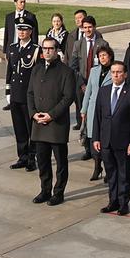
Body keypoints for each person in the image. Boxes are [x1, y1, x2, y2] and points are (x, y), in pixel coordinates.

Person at [27, 35, 77, 206]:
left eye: (50, 48)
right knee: (42, 160)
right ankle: (45, 189)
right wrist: (33, 113)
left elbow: (68, 97)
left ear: (56, 51)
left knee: (61, 162)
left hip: (56, 124)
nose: (47, 51)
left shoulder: (66, 71)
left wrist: (51, 115)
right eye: (44, 48)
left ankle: (59, 192)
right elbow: (30, 94)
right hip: (39, 123)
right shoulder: (37, 69)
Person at [93, 60, 130, 214]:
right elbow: (97, 117)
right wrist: (96, 138)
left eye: (119, 72)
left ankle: (123, 203)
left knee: (124, 174)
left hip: (124, 141)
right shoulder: (103, 91)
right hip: (106, 140)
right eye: (113, 72)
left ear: (125, 74)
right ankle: (112, 201)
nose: (115, 75)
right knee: (111, 173)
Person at [6, 23, 39, 170]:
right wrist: (8, 91)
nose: (21, 32)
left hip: (28, 95)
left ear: (30, 32)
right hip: (15, 94)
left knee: (30, 128)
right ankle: (22, 157)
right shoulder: (13, 48)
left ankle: (32, 158)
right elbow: (10, 72)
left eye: (24, 29)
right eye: (19, 29)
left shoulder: (35, 50)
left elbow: (37, 75)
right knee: (19, 128)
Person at [80, 44, 116, 180]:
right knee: (93, 139)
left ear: (110, 56)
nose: (102, 58)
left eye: (104, 55)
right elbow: (88, 91)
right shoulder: (94, 71)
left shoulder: (114, 71)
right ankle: (97, 167)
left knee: (106, 140)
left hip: (108, 109)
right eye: (100, 56)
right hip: (93, 109)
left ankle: (108, 169)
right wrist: (83, 109)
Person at [71, 14, 108, 129]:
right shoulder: (78, 44)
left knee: (96, 110)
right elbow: (73, 66)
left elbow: (107, 64)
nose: (87, 30)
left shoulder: (102, 43)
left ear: (95, 27)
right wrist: (82, 84)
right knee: (82, 108)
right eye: (85, 27)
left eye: (90, 27)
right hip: (82, 82)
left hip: (97, 83)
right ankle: (83, 131)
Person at [4, 0, 39, 110]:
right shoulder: (9, 16)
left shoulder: (30, 16)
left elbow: (34, 35)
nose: (23, 4)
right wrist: (6, 51)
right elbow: (7, 35)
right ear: (15, 3)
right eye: (21, 2)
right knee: (13, 72)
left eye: (24, 2)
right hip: (13, 50)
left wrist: (33, 49)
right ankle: (12, 99)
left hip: (28, 51)